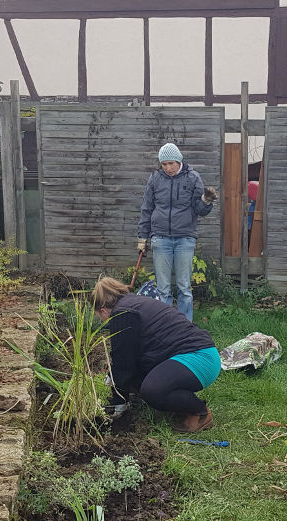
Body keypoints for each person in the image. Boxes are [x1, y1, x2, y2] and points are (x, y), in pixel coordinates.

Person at [91, 277, 221, 433]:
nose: (103, 321)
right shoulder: (134, 302)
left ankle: (200, 412)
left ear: (103, 310)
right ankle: (174, 401)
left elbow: (123, 364)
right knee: (140, 377)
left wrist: (118, 404)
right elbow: (129, 357)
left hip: (198, 357)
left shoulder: (122, 313)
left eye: (100, 318)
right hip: (197, 354)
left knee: (152, 390)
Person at [138, 143, 217, 322]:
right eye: (164, 164)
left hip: (185, 239)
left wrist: (205, 201)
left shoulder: (193, 178)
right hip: (160, 238)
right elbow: (147, 208)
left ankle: (185, 326)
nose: (168, 168)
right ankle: (167, 326)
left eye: (171, 163)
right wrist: (142, 237)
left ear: (179, 161)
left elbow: (200, 210)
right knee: (163, 289)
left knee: (184, 287)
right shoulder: (155, 179)